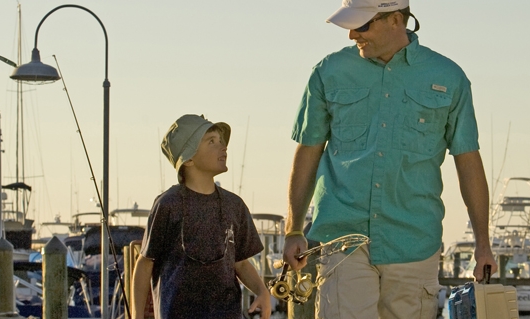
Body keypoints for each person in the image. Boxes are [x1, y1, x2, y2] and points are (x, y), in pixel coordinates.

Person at [283, 1, 498, 318]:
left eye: (362, 25)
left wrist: (483, 243)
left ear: (396, 19)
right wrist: (293, 230)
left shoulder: (449, 78)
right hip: (342, 242)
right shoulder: (328, 72)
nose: (352, 34)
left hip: (414, 242)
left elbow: (468, 162)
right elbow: (307, 153)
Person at [132, 114, 271, 319]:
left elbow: (240, 263)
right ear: (188, 159)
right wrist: (136, 316)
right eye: (211, 142)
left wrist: (262, 292)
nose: (223, 147)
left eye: (221, 141)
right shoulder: (168, 204)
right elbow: (145, 263)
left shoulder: (235, 205)